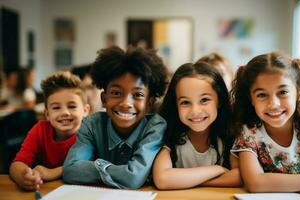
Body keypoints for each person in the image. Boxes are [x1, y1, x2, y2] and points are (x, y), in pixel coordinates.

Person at [230, 51, 300, 193]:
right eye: (262, 95)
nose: (273, 104)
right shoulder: (249, 132)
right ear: (251, 99)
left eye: (283, 92)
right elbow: (255, 183)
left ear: (299, 93)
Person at [63, 46, 169, 189]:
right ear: (104, 99)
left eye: (138, 95)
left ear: (149, 103)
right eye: (116, 93)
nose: (126, 103)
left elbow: (133, 177)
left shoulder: (155, 126)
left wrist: (97, 166)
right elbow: (70, 170)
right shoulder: (92, 124)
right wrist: (120, 173)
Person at [153, 62, 241, 190]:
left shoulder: (229, 134)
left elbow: (239, 176)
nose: (195, 110)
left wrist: (187, 181)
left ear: (220, 101)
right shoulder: (170, 137)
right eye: (185, 102)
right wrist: (217, 169)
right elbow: (163, 179)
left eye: (204, 100)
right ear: (175, 105)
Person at [9, 71, 90, 190]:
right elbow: (17, 164)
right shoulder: (40, 130)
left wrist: (51, 172)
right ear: (47, 114)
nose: (65, 113)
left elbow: (89, 167)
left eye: (72, 106)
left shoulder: (90, 132)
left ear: (85, 110)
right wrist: (24, 177)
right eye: (56, 108)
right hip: (45, 190)